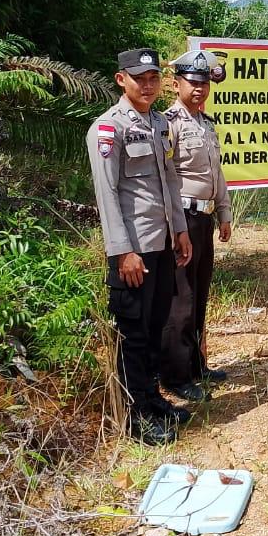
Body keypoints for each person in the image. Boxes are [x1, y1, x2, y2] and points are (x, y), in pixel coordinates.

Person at [86, 48, 194, 444]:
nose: (147, 86)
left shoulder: (160, 123)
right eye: (139, 79)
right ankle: (134, 417)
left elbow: (170, 181)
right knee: (132, 335)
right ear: (121, 80)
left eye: (153, 79)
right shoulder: (108, 128)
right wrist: (122, 251)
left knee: (154, 326)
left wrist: (180, 230)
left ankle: (152, 400)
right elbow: (107, 193)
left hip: (161, 242)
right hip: (133, 250)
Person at [160, 49, 232, 403]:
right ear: (177, 85)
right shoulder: (168, 124)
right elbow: (165, 179)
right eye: (192, 82)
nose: (199, 89)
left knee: (200, 295)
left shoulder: (207, 124)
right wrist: (177, 228)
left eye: (204, 83)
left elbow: (216, 173)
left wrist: (224, 213)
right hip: (182, 220)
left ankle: (195, 365)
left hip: (203, 218)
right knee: (181, 299)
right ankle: (175, 376)